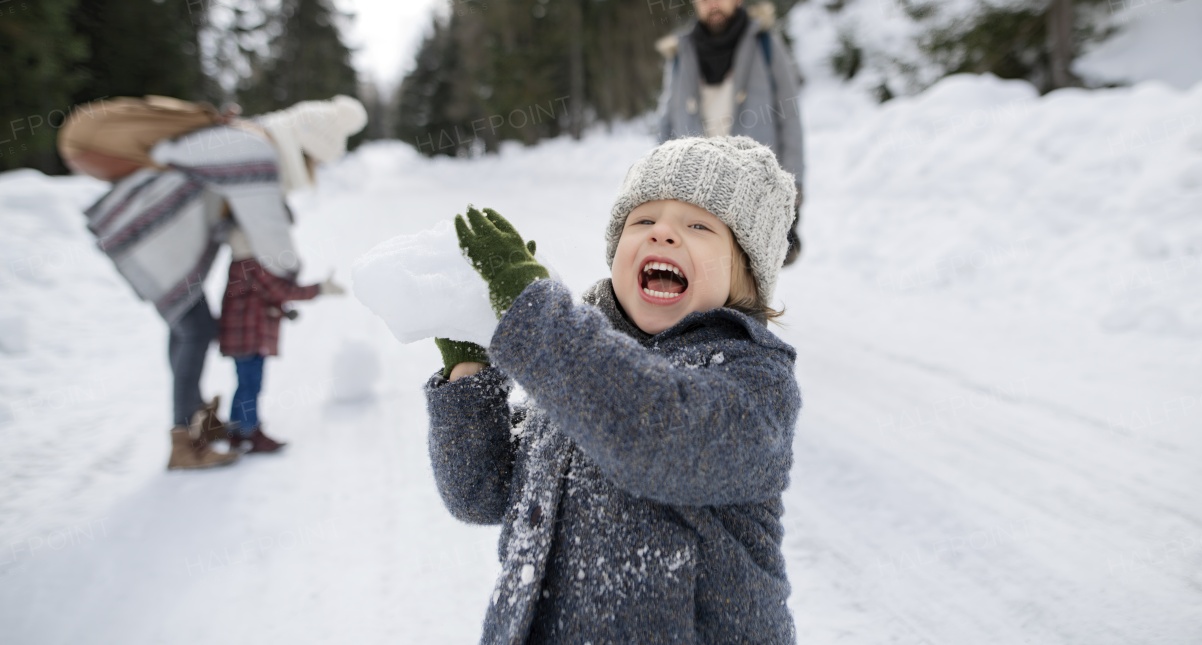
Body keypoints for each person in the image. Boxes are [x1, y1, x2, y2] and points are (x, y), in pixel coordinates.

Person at [426, 136, 801, 643]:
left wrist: (540, 323)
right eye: (642, 221)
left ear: (747, 275)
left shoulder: (753, 379)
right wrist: (470, 373)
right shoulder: (577, 360)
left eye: (698, 225)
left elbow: (655, 437)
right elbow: (482, 494)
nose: (663, 234)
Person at [84, 95, 367, 470]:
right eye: (314, 161)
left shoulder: (246, 137)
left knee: (190, 328)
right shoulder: (256, 150)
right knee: (194, 331)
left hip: (151, 233)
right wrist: (291, 278)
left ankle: (193, 422)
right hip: (149, 236)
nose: (311, 171)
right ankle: (185, 439)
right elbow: (269, 231)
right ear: (304, 148)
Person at [656, 0, 806, 264]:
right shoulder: (681, 53)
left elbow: (789, 116)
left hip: (755, 186)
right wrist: (660, 182)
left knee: (750, 277)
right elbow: (666, 122)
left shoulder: (764, 43)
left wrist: (795, 184)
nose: (712, 5)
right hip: (696, 187)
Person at [218, 222, 345, 453]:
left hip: (240, 336)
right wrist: (320, 289)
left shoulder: (240, 265)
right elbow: (281, 290)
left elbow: (262, 296)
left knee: (244, 383)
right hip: (248, 337)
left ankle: (237, 431)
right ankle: (248, 431)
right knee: (250, 384)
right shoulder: (252, 265)